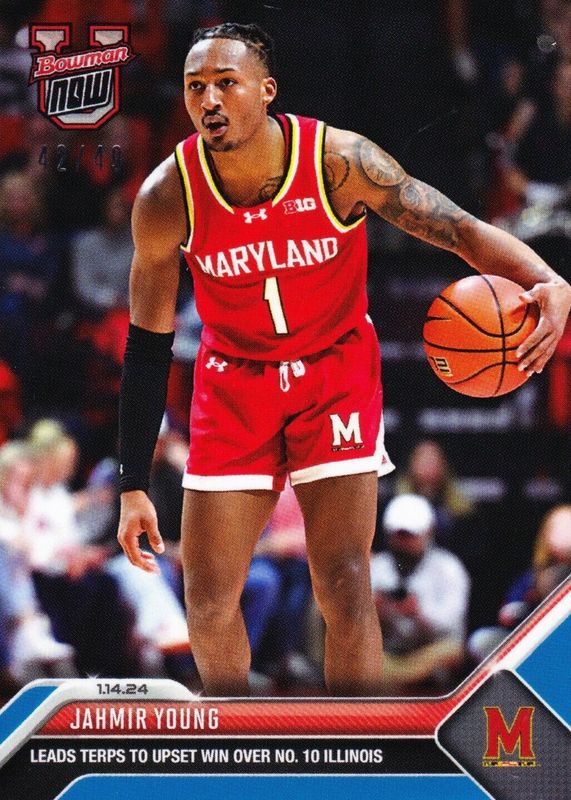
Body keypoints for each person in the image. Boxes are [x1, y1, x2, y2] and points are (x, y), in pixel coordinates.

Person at [117, 22, 571, 697]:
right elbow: (148, 343)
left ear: (266, 91)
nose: (208, 100)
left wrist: (548, 280)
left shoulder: (339, 162)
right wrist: (132, 481)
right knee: (208, 601)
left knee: (344, 580)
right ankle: (236, 745)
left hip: (333, 372)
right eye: (195, 87)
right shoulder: (166, 195)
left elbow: (459, 230)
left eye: (226, 83)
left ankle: (357, 746)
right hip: (233, 380)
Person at [371, 494, 470, 693]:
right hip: (390, 653)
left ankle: (397, 679)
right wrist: (373, 613)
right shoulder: (376, 567)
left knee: (452, 651)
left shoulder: (449, 568)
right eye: (398, 535)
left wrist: (418, 615)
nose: (403, 542)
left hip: (430, 652)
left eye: (410, 535)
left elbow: (451, 628)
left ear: (429, 532)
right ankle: (399, 679)